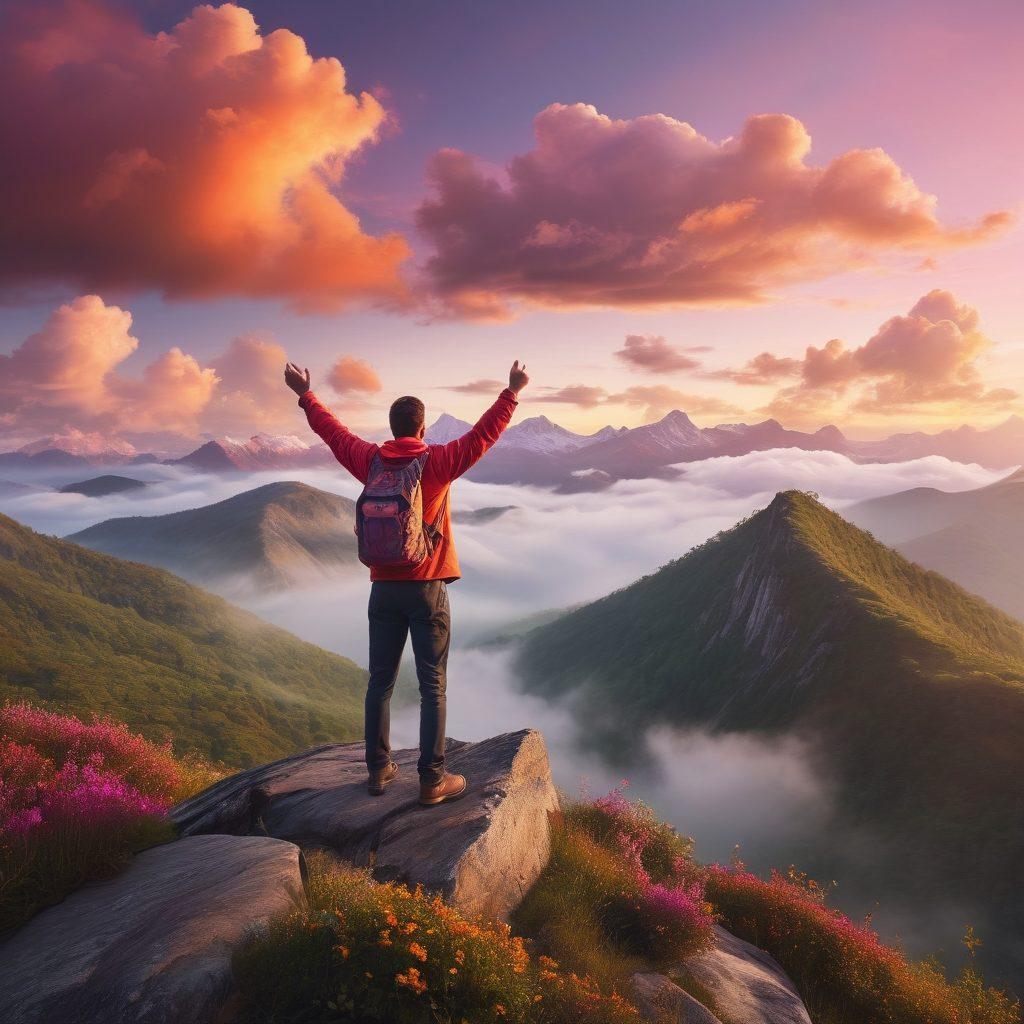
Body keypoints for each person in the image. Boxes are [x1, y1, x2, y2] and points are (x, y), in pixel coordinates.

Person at [284, 360, 529, 806]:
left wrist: (306, 394)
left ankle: (378, 771)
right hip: (427, 586)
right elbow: (483, 436)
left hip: (382, 587)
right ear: (422, 426)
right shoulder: (437, 461)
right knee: (432, 683)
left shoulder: (371, 460)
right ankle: (431, 780)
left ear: (392, 427)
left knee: (380, 681)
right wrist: (511, 392)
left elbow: (334, 434)